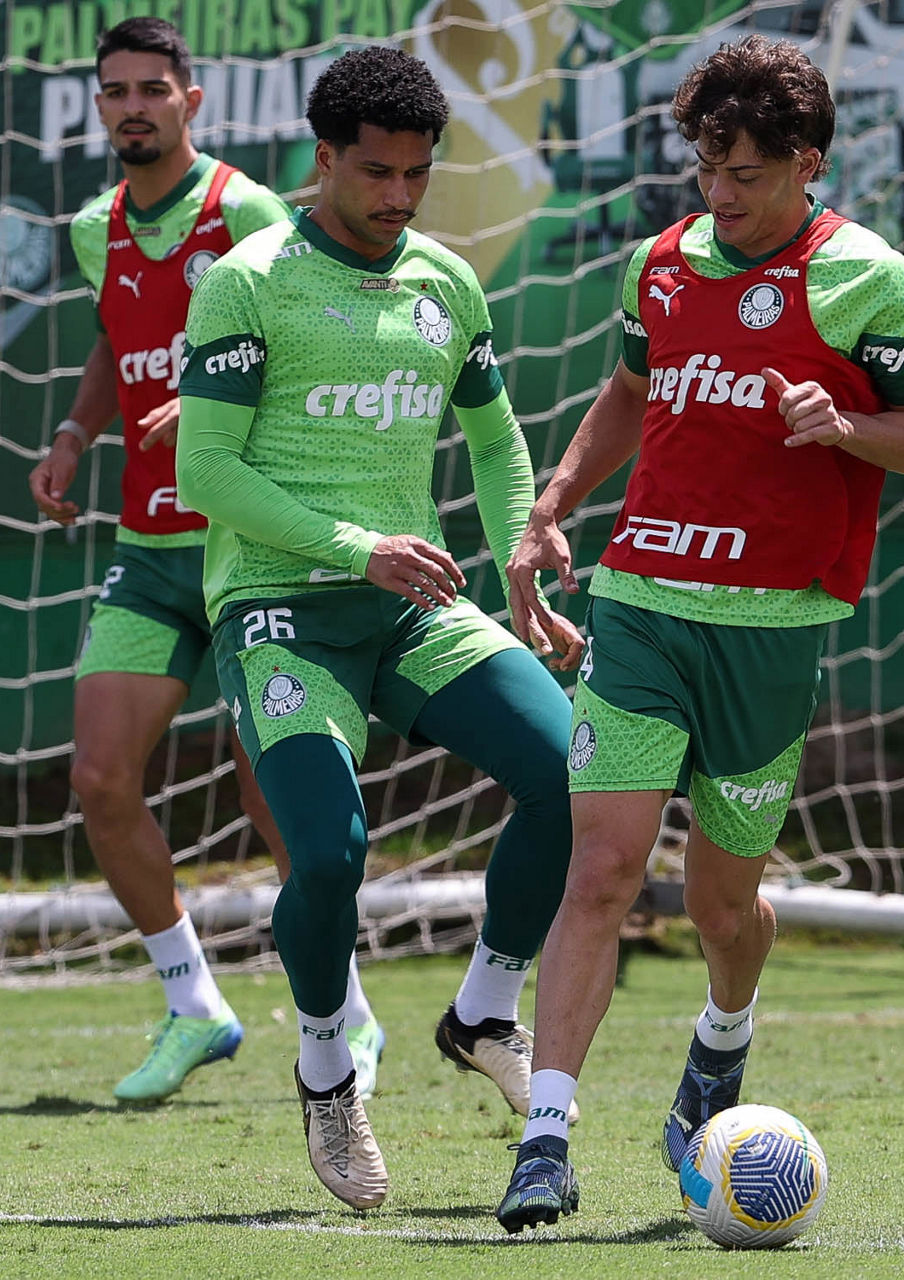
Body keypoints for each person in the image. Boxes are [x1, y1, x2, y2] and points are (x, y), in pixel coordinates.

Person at [495, 34, 904, 1232]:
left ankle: (721, 1037)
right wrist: (553, 502)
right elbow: (629, 388)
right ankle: (544, 1137)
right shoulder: (661, 263)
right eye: (705, 168)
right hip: (641, 603)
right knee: (600, 869)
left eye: (743, 173)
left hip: (771, 629)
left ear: (806, 163)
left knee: (720, 906)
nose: (718, 193)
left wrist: (843, 422)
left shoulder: (864, 277)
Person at [175, 46, 584, 1210]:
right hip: (280, 607)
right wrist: (358, 546)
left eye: (416, 173)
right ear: (323, 158)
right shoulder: (248, 281)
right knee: (329, 854)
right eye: (375, 172)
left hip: (413, 605)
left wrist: (520, 559)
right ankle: (325, 1068)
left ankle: (484, 1009)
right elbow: (207, 471)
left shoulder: (446, 282)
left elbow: (494, 440)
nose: (398, 194)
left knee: (570, 769)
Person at [27, 17, 384, 1104]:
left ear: (191, 99)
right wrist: (76, 432)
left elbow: (313, 333)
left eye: (153, 88)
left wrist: (219, 398)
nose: (133, 106)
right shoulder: (94, 228)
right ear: (99, 105)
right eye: (116, 90)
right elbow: (116, 336)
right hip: (150, 547)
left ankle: (349, 1013)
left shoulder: (247, 212)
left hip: (251, 550)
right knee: (99, 777)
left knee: (277, 801)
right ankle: (194, 1003)